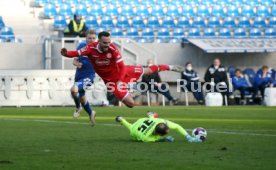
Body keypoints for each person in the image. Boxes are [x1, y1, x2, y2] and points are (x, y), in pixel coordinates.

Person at [61, 31, 184, 108]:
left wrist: (120, 80)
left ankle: (170, 67)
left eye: (109, 42)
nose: (107, 45)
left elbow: (122, 66)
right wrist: (66, 53)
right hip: (112, 83)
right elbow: (76, 53)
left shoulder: (113, 49)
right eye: (105, 43)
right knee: (130, 105)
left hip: (122, 72)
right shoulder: (90, 48)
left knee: (148, 70)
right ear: (99, 41)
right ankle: (131, 90)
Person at [115, 112, 203, 143]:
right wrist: (165, 139)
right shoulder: (146, 138)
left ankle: (151, 115)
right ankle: (122, 120)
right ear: (160, 134)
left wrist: (189, 138)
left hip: (143, 120)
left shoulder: (160, 121)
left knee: (153, 118)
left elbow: (176, 126)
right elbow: (157, 140)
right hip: (136, 130)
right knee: (132, 129)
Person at [71, 30, 96, 126]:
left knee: (73, 90)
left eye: (93, 38)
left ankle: (78, 108)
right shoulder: (81, 46)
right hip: (78, 76)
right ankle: (91, 113)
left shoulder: (97, 49)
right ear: (86, 38)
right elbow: (74, 61)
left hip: (89, 77)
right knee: (81, 97)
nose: (92, 40)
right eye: (90, 38)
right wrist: (77, 64)